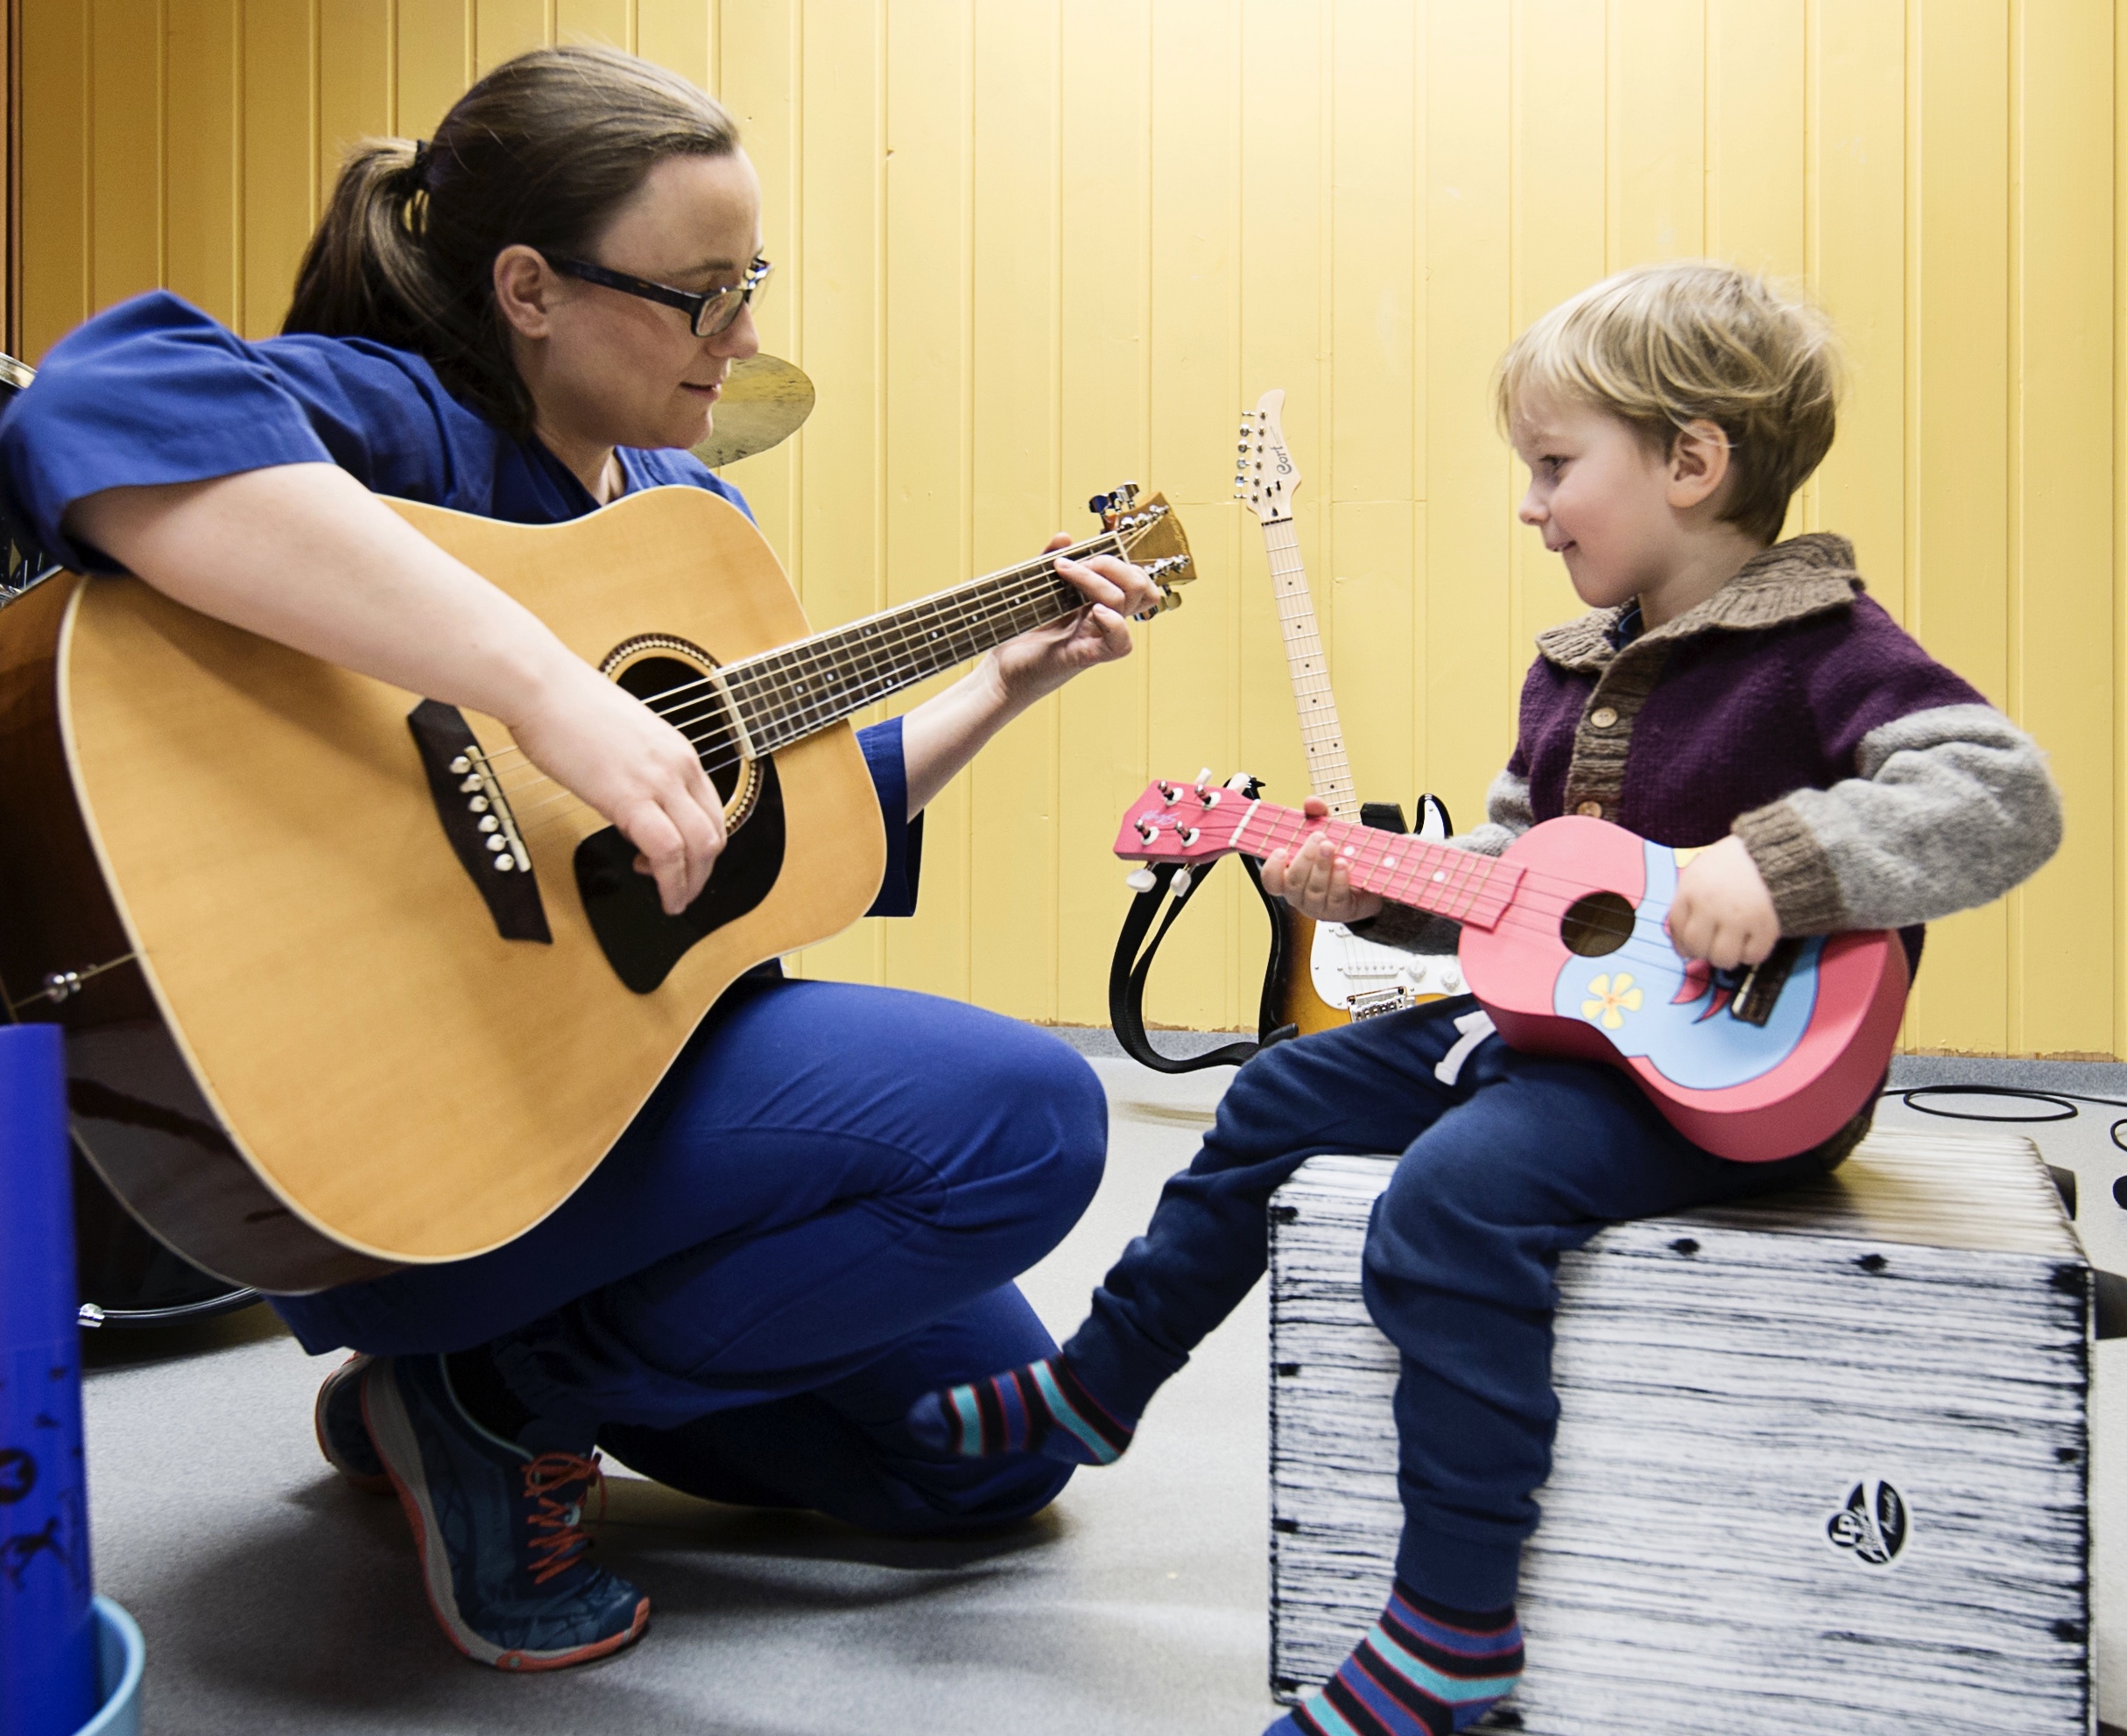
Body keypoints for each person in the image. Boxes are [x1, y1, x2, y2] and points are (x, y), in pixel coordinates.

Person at [0, 46, 1162, 1672]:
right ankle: (492, 1394)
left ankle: (463, 1380)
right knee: (1026, 1116)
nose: (745, 339)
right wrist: (543, 691)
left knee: (989, 1455)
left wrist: (998, 683)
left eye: (747, 284)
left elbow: (769, 826)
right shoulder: (397, 417)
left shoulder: (682, 514)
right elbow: (105, 402)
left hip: (598, 1088)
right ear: (530, 289)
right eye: (699, 295)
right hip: (393, 1111)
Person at [906, 261, 2065, 1735]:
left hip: (1729, 1088)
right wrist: (1370, 885)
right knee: (1274, 1093)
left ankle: (1450, 1631)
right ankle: (1094, 1386)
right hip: (1558, 1040)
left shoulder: (1830, 653)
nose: (1528, 504)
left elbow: (2000, 794)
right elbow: (1516, 890)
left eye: (1553, 465)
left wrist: (1784, 865)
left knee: (1448, 1206)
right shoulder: (1569, 671)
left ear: (1691, 463)